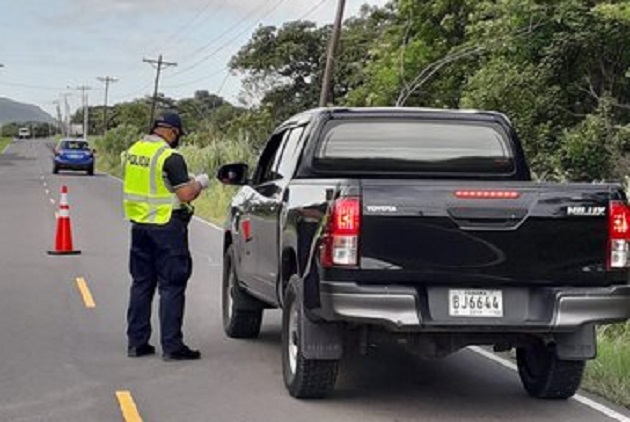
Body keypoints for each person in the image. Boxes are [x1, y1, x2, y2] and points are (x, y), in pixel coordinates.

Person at [122, 111, 210, 361]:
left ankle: (136, 343)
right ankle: (172, 346)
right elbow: (185, 195)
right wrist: (201, 182)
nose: (177, 139)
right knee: (172, 285)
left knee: (141, 284)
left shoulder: (133, 152)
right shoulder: (170, 157)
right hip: (167, 228)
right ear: (171, 131)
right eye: (177, 134)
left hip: (139, 225)